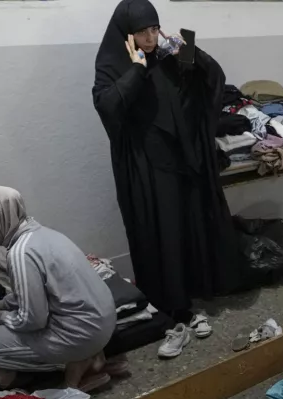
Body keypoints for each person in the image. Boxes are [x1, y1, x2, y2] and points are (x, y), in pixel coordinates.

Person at [93, 0, 242, 358]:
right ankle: (172, 308)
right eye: (142, 32)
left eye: (154, 29)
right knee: (159, 233)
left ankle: (192, 294)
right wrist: (137, 68)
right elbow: (109, 107)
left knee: (186, 227)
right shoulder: (113, 64)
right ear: (126, 35)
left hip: (180, 160)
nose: (149, 37)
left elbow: (212, 81)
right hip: (144, 168)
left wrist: (189, 49)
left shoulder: (166, 55)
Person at [0, 184, 117, 389]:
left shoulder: (20, 253)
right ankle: (90, 357)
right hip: (103, 323)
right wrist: (1, 304)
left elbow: (32, 320)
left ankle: (75, 365)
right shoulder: (44, 233)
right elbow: (35, 292)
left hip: (80, 335)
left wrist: (3, 318)